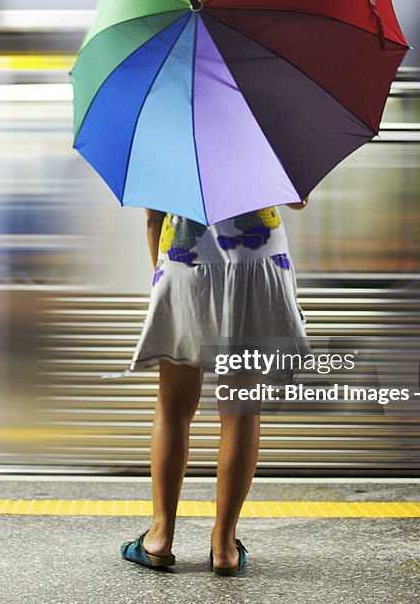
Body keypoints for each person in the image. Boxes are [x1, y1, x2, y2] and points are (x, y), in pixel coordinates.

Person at [118, 198, 308, 576]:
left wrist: (165, 279)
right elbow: (297, 199)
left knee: (172, 407)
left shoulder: (166, 138)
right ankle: (224, 547)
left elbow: (153, 220)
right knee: (240, 410)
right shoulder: (265, 136)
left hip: (184, 259)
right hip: (258, 264)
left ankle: (159, 537)